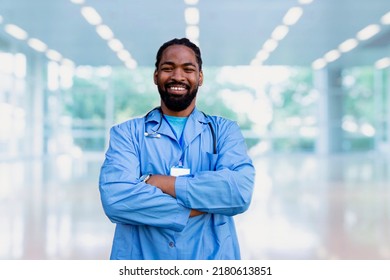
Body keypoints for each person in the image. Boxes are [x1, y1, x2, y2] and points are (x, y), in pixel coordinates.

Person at [99, 38, 255, 260]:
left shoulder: (224, 131)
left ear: (200, 77)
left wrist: (164, 183)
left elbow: (238, 192)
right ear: (156, 76)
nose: (177, 76)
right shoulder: (126, 134)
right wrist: (201, 205)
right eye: (168, 68)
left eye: (188, 69)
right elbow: (116, 199)